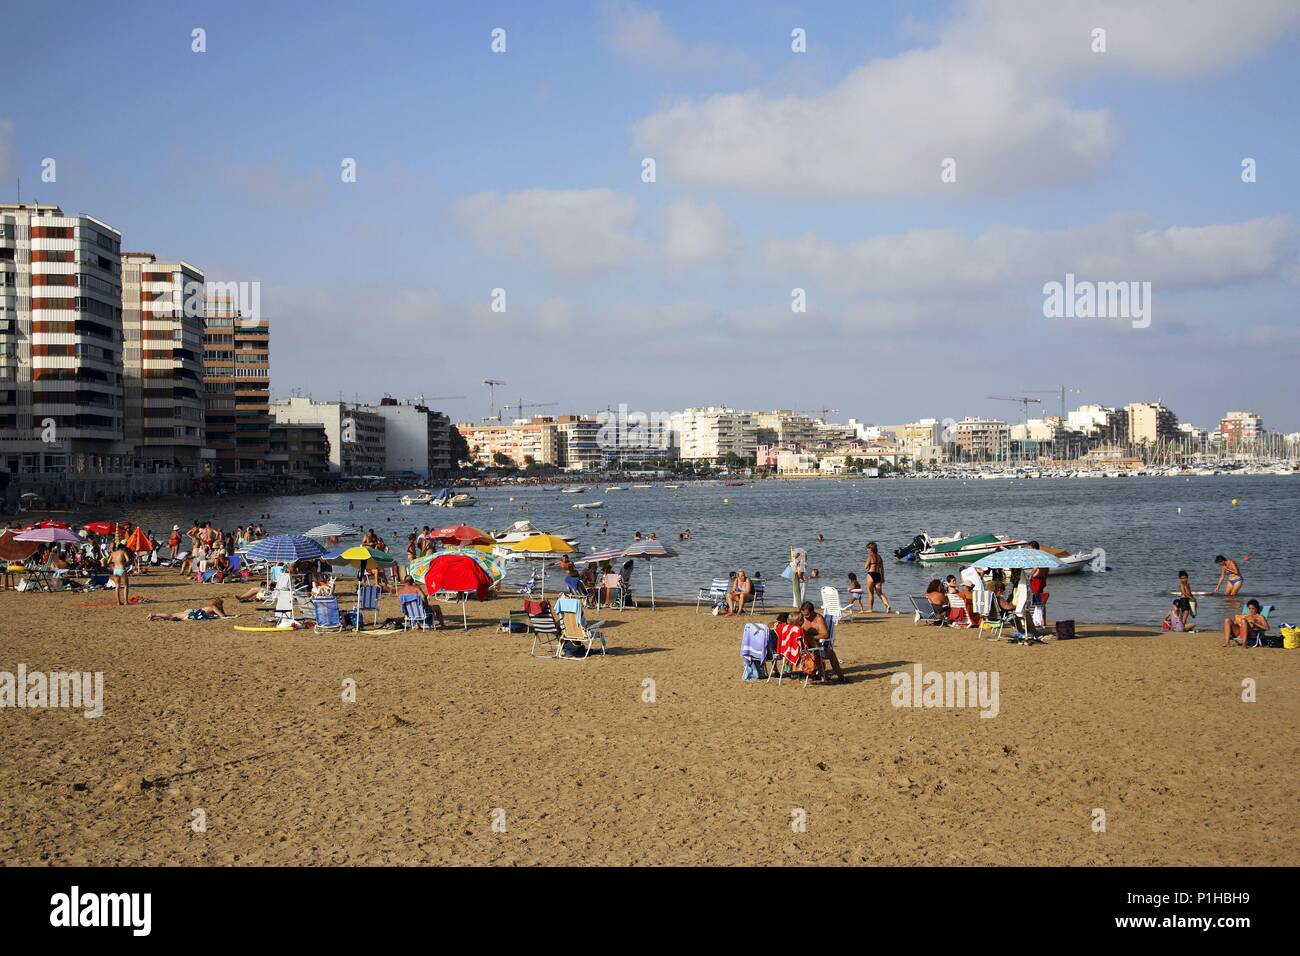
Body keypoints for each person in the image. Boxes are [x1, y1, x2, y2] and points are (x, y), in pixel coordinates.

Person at [799, 601, 846, 683]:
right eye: (803, 615)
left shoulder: (818, 619)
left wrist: (811, 637)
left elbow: (825, 635)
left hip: (813, 647)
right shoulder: (801, 618)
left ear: (813, 611)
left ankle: (827, 675)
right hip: (804, 649)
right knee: (830, 653)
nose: (805, 617)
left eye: (807, 615)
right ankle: (839, 677)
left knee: (829, 653)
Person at [863, 541, 892, 613]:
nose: (867, 550)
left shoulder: (870, 557)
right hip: (878, 575)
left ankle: (870, 609)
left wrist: (867, 563)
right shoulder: (879, 557)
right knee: (880, 593)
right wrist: (883, 577)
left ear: (871, 549)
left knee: (870, 593)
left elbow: (865, 567)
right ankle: (887, 605)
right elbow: (882, 568)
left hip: (871, 574)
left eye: (867, 548)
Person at [150, 598, 233, 622]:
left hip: (192, 611)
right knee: (173, 616)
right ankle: (155, 615)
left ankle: (156, 618)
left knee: (174, 616)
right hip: (193, 614)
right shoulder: (213, 608)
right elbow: (222, 616)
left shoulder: (210, 606)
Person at [109, 541, 132, 605]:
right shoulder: (123, 552)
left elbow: (108, 562)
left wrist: (112, 567)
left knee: (117, 586)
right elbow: (128, 560)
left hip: (115, 570)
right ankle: (126, 601)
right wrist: (124, 564)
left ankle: (118, 602)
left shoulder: (113, 553)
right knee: (125, 586)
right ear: (122, 548)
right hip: (121, 569)